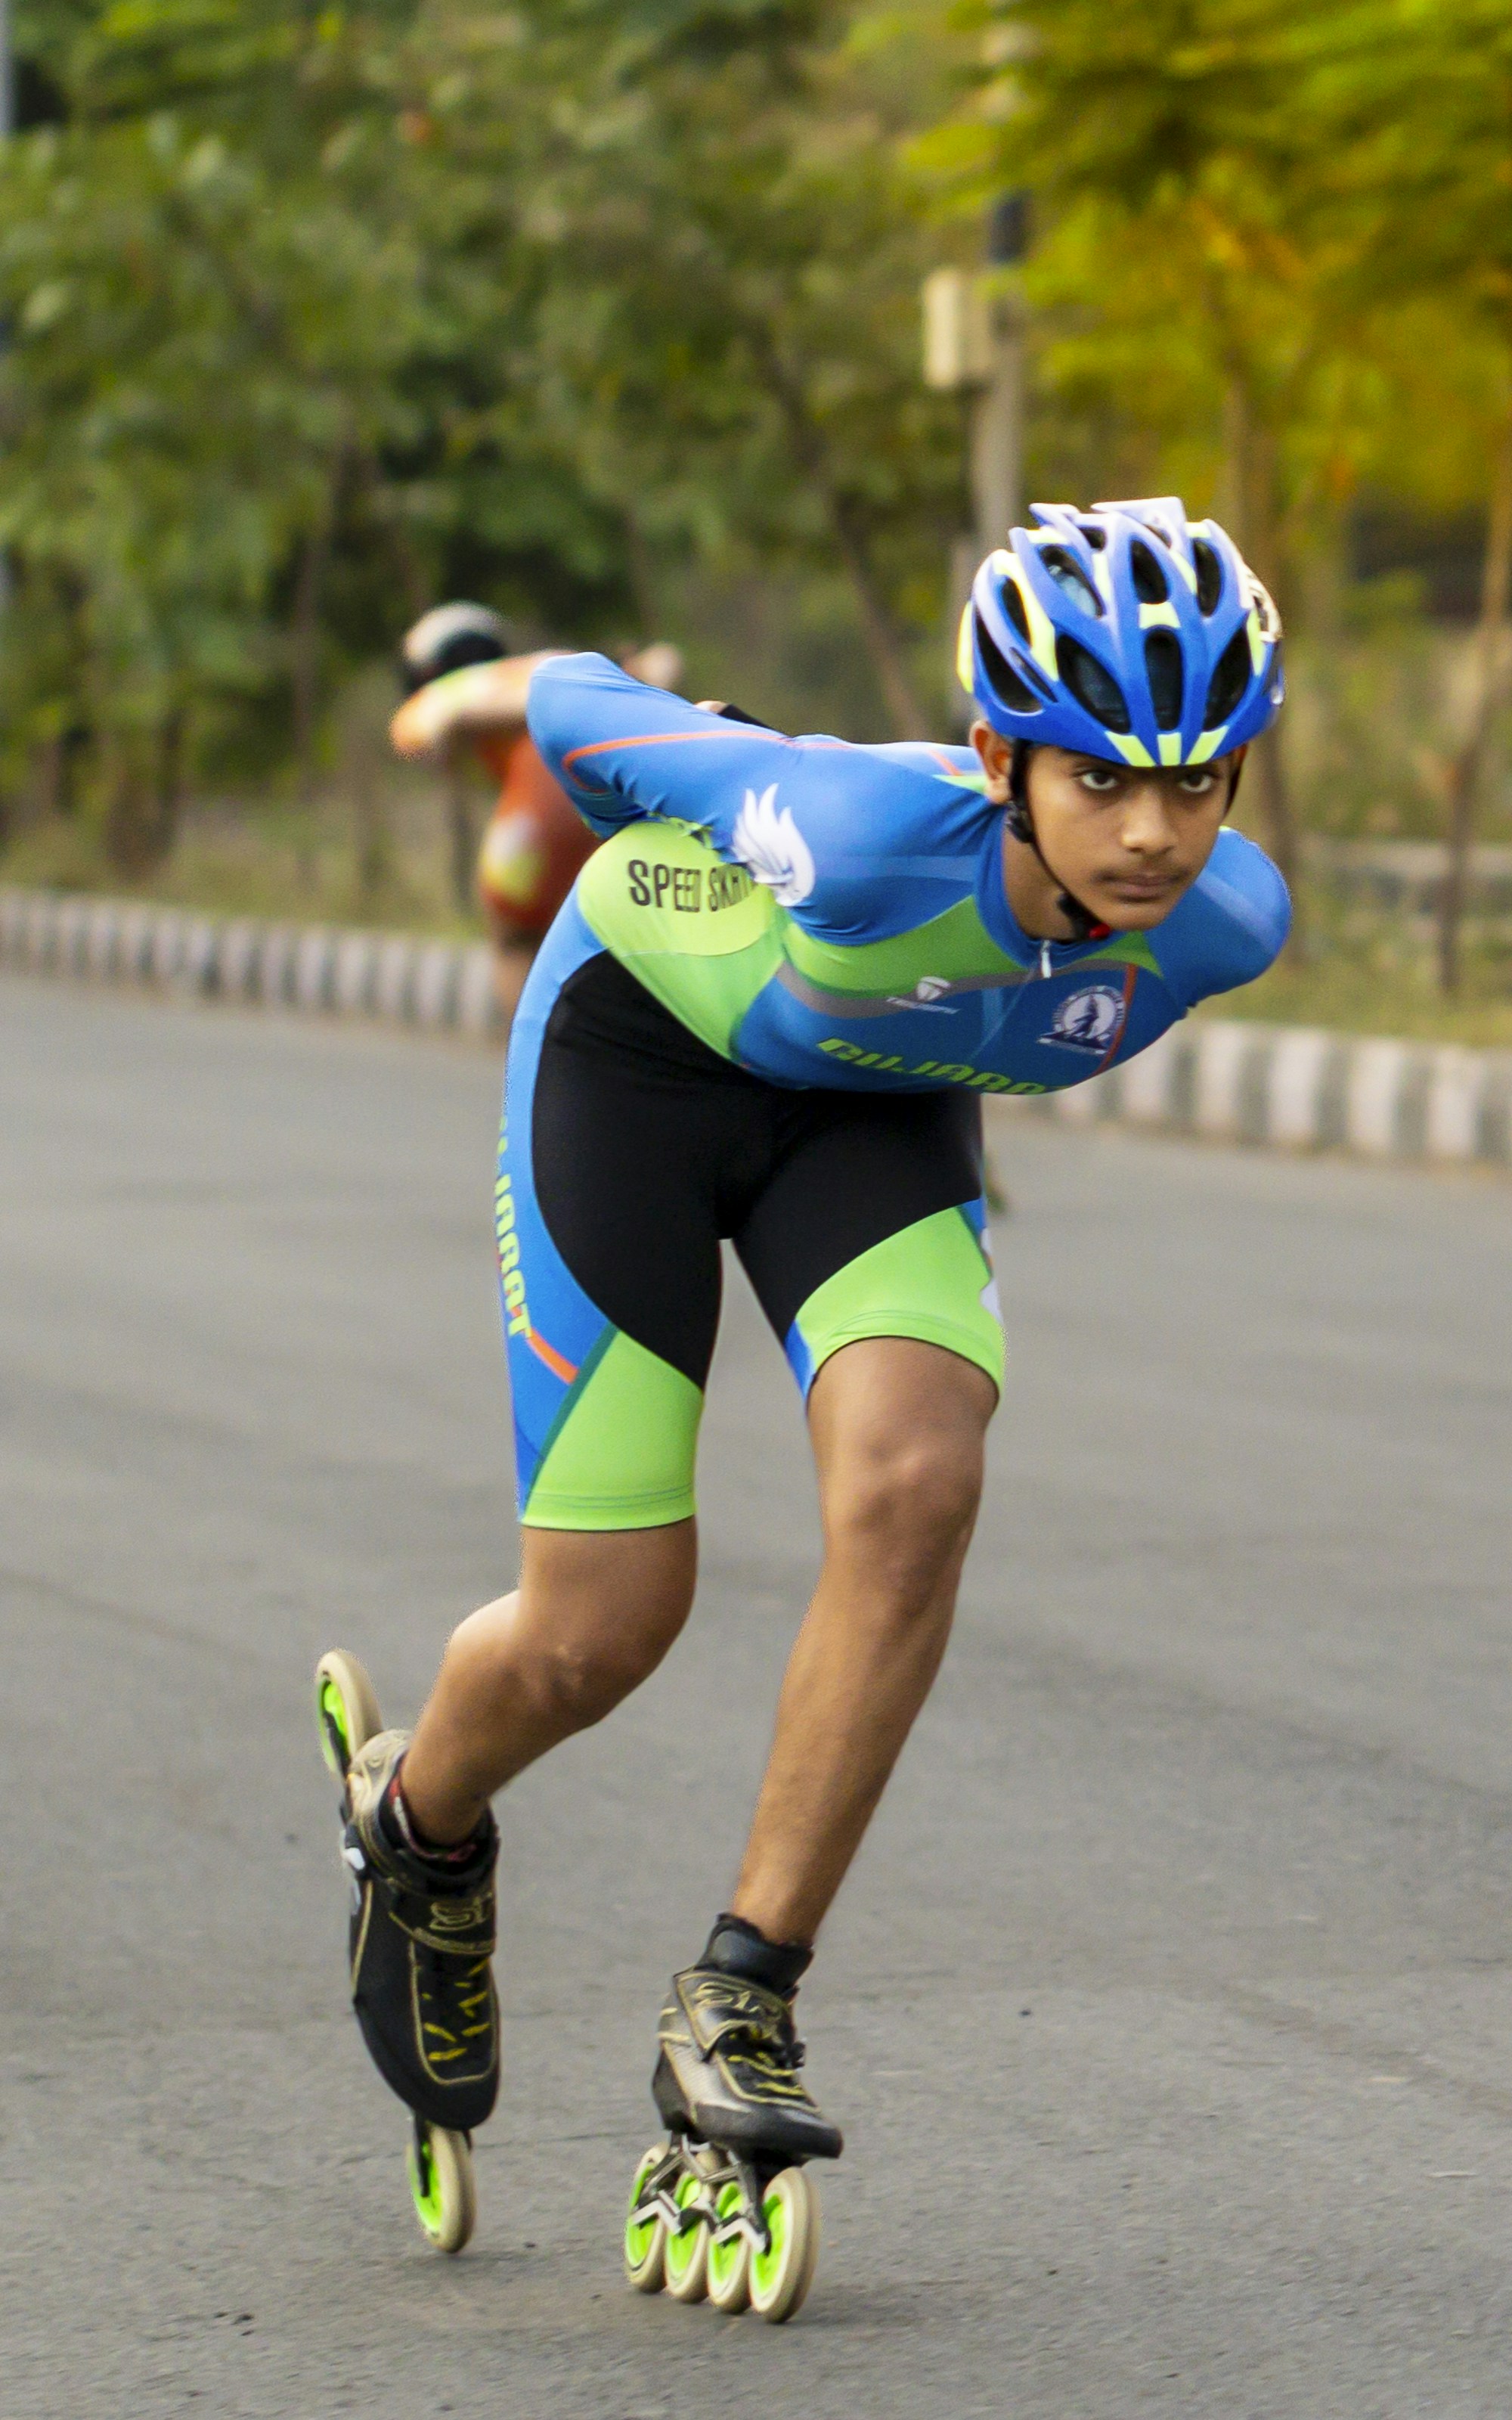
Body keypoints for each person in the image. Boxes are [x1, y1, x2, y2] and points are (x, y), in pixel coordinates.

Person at [316, 498, 1288, 2314]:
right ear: (998, 755)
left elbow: (1027, 979)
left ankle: (739, 1994)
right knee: (604, 1626)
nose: (1153, 830)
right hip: (637, 1056)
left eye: (1199, 777)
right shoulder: (847, 836)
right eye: (1099, 778)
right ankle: (416, 1824)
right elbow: (588, 709)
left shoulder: (1225, 921)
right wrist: (497, 708)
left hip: (864, 1110)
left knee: (917, 1486)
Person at [390, 603, 683, 1019]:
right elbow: (666, 663)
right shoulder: (563, 664)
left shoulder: (450, 693)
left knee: (515, 938)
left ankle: (536, 1059)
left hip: (541, 811)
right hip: (626, 804)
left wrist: (456, 722)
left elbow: (411, 736)